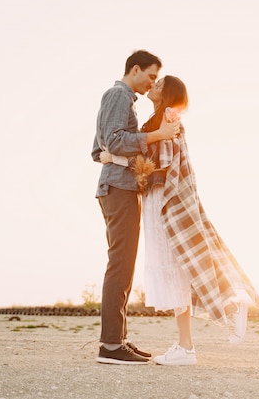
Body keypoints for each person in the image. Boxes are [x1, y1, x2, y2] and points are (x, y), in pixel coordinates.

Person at [100, 75, 259, 366]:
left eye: (160, 83)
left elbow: (165, 166)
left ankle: (209, 328)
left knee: (177, 267)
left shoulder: (169, 117)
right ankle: (188, 344)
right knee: (179, 267)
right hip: (158, 201)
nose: (154, 86)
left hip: (166, 201)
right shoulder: (157, 118)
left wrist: (117, 160)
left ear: (169, 94)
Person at [91, 50, 180, 365]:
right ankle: (111, 345)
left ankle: (118, 340)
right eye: (152, 76)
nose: (152, 83)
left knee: (124, 266)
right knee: (120, 266)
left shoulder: (121, 99)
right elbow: (113, 141)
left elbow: (100, 149)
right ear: (136, 69)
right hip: (118, 189)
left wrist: (118, 156)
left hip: (120, 188)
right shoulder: (118, 95)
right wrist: (157, 135)